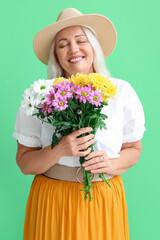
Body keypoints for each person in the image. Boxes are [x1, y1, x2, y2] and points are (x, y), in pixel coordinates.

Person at [12, 8, 146, 240]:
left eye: (81, 40)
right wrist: (60, 149)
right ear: (56, 54)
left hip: (103, 199)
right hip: (52, 200)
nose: (73, 49)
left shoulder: (121, 92)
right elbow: (25, 163)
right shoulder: (39, 97)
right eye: (63, 44)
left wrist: (112, 164)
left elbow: (134, 150)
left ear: (93, 47)